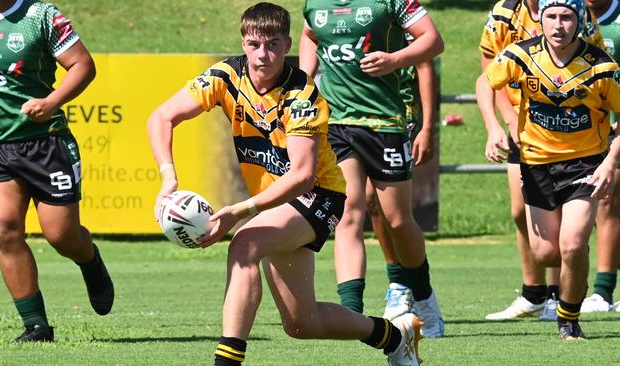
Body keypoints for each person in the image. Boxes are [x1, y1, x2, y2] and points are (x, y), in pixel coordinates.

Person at [147, 3, 424, 365]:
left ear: (288, 43)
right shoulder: (225, 77)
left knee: (244, 243)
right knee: (301, 322)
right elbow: (162, 117)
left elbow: (301, 176)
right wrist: (169, 176)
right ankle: (395, 335)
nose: (264, 55)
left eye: (274, 44)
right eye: (254, 44)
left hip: (318, 196)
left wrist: (239, 212)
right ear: (243, 43)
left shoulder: (302, 95)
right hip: (277, 201)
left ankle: (226, 361)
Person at [477, 0, 620, 340]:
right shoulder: (521, 54)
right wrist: (494, 127)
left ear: (579, 20)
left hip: (586, 162)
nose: (558, 24)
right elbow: (484, 82)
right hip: (536, 163)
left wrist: (610, 161)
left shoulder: (601, 66)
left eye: (566, 16)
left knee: (573, 243)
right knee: (547, 253)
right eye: (551, 16)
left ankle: (568, 318)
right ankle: (567, 276)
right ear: (542, 19)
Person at [299, 0, 445, 338]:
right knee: (348, 210)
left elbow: (433, 42)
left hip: (384, 123)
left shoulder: (389, 2)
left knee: (396, 219)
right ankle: (350, 315)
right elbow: (309, 32)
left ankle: (423, 299)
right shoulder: (314, 3)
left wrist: (395, 60)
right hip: (335, 121)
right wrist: (305, 79)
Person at [0, 0, 114, 342]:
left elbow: (82, 65)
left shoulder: (41, 15)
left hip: (45, 143)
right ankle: (36, 326)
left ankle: (90, 261)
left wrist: (51, 102)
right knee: (3, 228)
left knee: (61, 236)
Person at [580, 0, 620, 313]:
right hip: (582, 133)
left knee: (606, 202)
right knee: (589, 207)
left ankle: (602, 292)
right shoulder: (568, 16)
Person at [366, 60, 438, 320]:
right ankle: (398, 282)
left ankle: (418, 290)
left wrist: (427, 126)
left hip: (396, 115)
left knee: (395, 213)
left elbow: (425, 63)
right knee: (370, 201)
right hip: (356, 114)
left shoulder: (403, 20)